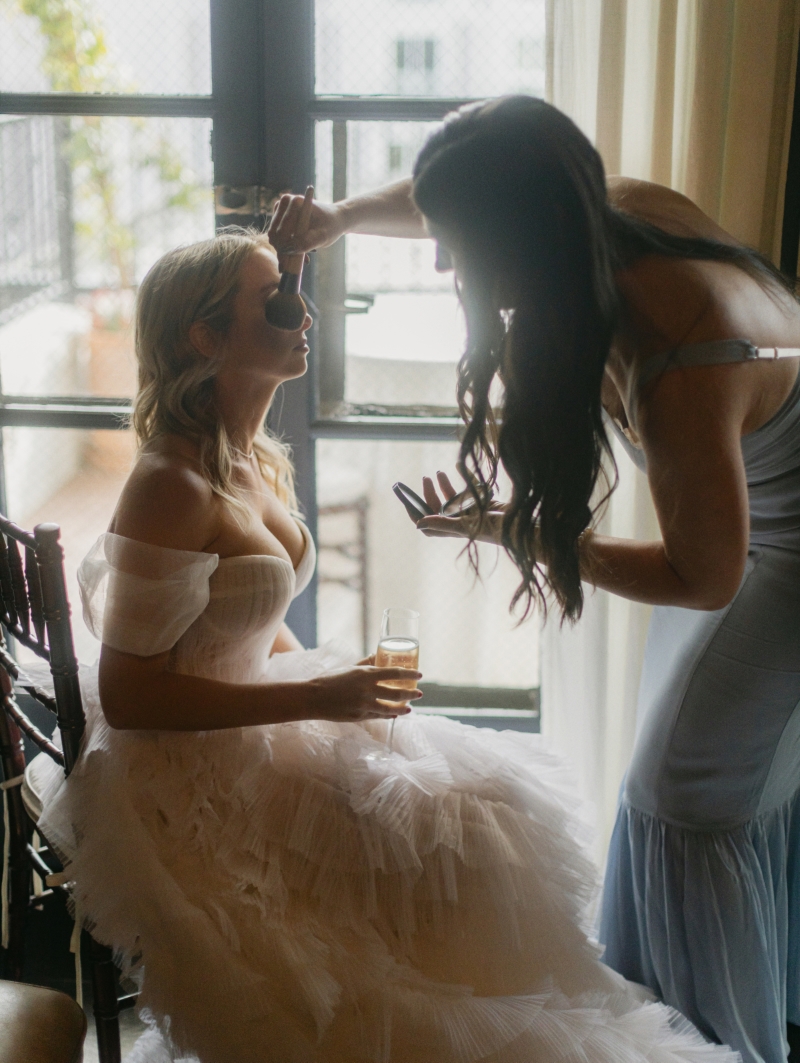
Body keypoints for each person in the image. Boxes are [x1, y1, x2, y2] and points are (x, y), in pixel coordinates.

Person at [32, 228, 740, 1063]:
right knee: (385, 942)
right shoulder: (167, 483)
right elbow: (133, 696)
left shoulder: (253, 459)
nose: (305, 314)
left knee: (482, 808)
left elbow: (236, 621)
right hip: (186, 781)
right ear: (204, 335)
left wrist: (332, 683)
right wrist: (316, 699)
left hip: (257, 723)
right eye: (277, 299)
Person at [271, 95, 800, 1063]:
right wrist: (339, 218)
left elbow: (700, 572)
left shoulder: (683, 351)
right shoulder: (613, 208)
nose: (442, 263)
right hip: (756, 547)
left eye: (459, 246)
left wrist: (518, 530)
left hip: (778, 568)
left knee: (686, 800)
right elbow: (438, 201)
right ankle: (669, 1023)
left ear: (523, 233)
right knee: (678, 791)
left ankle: (720, 1046)